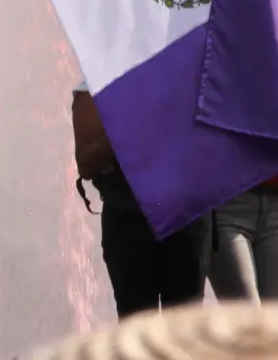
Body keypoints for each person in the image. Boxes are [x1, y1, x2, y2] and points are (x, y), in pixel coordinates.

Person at [207, 0, 278, 302]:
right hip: (227, 209)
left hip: (277, 212)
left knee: (273, 332)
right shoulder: (222, 70)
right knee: (249, 326)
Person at [71, 82, 210, 316]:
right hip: (129, 218)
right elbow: (86, 163)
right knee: (135, 327)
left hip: (186, 212)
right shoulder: (96, 80)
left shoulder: (189, 65)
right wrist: (132, 121)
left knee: (184, 330)